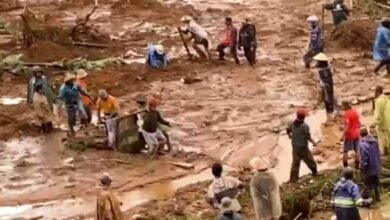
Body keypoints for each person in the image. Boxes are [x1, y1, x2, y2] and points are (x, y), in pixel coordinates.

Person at [287, 108, 318, 183]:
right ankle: (315, 172)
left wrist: (289, 135)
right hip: (303, 147)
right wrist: (314, 142)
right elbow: (307, 136)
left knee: (295, 163)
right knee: (310, 160)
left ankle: (293, 179)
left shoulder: (292, 123)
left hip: (295, 146)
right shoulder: (305, 126)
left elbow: (288, 130)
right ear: (304, 117)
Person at [359, 127, 381, 202]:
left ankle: (366, 199)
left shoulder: (363, 144)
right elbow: (378, 153)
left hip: (369, 167)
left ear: (360, 135)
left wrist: (362, 166)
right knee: (376, 183)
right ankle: (378, 198)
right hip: (376, 165)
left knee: (367, 184)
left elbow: (364, 157)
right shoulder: (375, 141)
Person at [314, 53, 335, 121]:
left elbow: (323, 80)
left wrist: (321, 84)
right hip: (328, 85)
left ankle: (329, 112)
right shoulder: (327, 68)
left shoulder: (323, 70)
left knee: (327, 98)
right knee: (329, 97)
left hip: (326, 86)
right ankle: (330, 110)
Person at [341, 101, 360, 168]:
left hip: (350, 135)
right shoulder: (355, 112)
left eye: (342, 106)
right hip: (357, 133)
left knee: (345, 150)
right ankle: (357, 165)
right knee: (357, 149)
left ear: (345, 106)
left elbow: (347, 126)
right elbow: (359, 122)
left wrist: (343, 135)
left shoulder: (346, 114)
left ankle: (345, 165)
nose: (341, 107)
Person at [373, 86, 390, 155]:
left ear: (378, 91)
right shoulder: (387, 99)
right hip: (388, 122)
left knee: (382, 141)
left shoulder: (379, 101)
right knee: (387, 139)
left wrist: (375, 123)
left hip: (382, 124)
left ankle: (384, 155)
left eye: (375, 91)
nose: (374, 93)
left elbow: (379, 113)